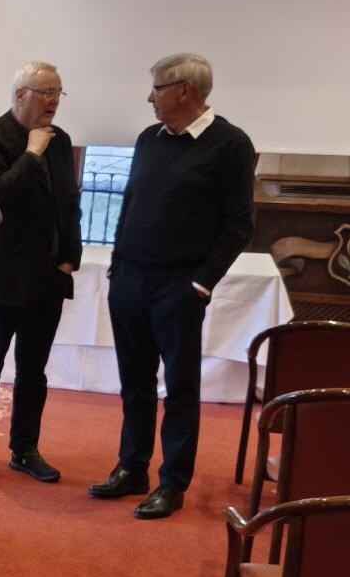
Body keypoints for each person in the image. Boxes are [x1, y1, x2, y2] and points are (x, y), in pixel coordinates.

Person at [88, 51, 256, 520]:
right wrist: (118, 265)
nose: (150, 98)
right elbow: (130, 204)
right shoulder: (150, 139)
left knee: (180, 388)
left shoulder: (230, 144)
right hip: (131, 280)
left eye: (157, 88)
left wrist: (201, 284)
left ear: (185, 90)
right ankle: (132, 468)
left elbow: (239, 224)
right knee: (134, 384)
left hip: (179, 286)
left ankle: (173, 482)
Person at [0, 61, 82, 486]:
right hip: (1, 275)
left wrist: (70, 258)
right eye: (46, 92)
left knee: (34, 371)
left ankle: (25, 450)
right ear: (20, 95)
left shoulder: (61, 141)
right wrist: (31, 154)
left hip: (48, 277)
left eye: (58, 93)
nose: (53, 101)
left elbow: (69, 203)